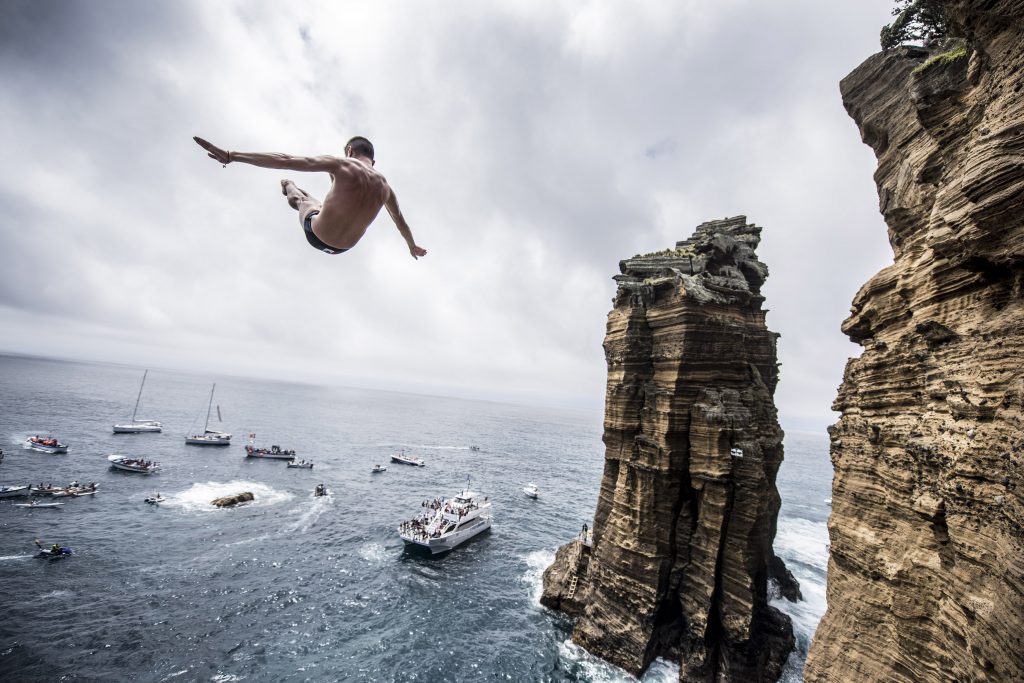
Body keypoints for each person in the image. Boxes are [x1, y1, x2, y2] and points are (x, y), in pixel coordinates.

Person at [193, 135, 427, 258]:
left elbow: (284, 160)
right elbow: (401, 222)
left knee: (303, 201)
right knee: (318, 203)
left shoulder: (342, 164)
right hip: (344, 248)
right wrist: (412, 246)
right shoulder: (386, 189)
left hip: (317, 234)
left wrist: (232, 155)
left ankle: (289, 187)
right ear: (373, 161)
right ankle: (304, 195)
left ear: (349, 152)